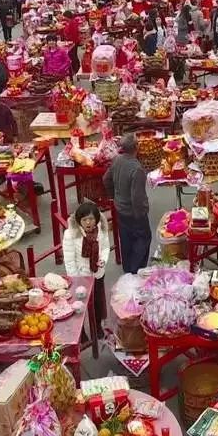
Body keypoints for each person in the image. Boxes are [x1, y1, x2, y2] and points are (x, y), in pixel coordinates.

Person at [103, 133, 150, 274]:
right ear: (136, 147)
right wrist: (140, 215)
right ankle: (135, 271)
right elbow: (137, 197)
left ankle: (127, 271)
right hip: (133, 212)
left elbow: (106, 179)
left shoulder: (117, 160)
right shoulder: (137, 169)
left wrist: (113, 197)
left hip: (120, 210)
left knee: (126, 240)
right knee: (143, 238)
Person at [62, 201, 110, 334]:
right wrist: (76, 280)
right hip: (80, 276)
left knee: (97, 303)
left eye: (91, 219)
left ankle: (97, 328)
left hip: (97, 273)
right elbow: (70, 261)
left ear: (96, 219)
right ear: (79, 221)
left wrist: (103, 260)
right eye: (84, 220)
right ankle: (80, 332)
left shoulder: (101, 230)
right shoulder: (70, 234)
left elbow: (105, 248)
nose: (88, 223)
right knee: (79, 305)